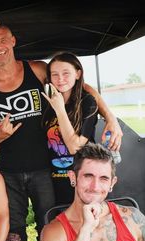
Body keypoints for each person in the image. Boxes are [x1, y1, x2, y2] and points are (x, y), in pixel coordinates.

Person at [0, 18, 123, 241]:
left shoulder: (37, 70)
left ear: (13, 41)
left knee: (50, 224)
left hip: (44, 168)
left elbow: (81, 87)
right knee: (15, 231)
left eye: (3, 39)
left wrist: (111, 118)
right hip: (9, 171)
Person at [40, 142, 145, 241]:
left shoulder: (132, 218)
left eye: (104, 179)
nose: (95, 186)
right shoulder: (55, 231)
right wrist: (86, 229)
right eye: (88, 176)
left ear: (112, 183)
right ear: (73, 177)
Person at [42, 52, 98, 205]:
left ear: (78, 74)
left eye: (66, 73)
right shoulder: (47, 104)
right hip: (54, 179)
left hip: (81, 178)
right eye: (55, 74)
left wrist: (60, 110)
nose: (60, 79)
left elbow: (75, 147)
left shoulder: (87, 102)